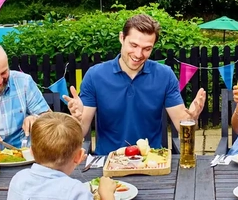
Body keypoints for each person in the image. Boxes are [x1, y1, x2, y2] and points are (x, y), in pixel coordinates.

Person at [65, 14, 206, 155]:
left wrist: (192, 119)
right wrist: (76, 120)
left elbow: (182, 127)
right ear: (122, 38)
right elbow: (81, 131)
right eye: (134, 45)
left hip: (152, 161)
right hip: (107, 162)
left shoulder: (165, 75)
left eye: (147, 48)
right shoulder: (95, 75)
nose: (139, 54)